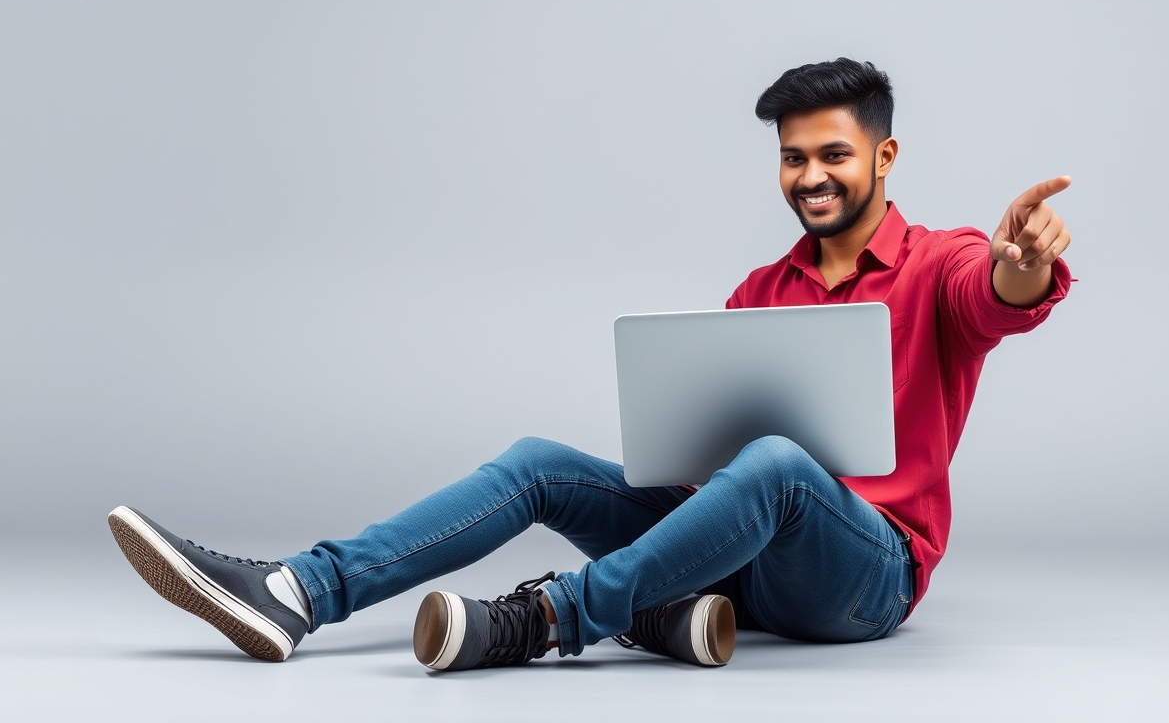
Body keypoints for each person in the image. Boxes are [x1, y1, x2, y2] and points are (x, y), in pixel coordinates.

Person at [108, 58, 1074, 672]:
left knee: (781, 464)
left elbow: (993, 299)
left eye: (832, 154)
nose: (809, 176)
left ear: (885, 154)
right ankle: (298, 594)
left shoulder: (941, 260)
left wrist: (1021, 269)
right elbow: (702, 453)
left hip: (863, 579)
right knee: (539, 462)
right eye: (790, 158)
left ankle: (551, 620)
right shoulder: (759, 289)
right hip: (741, 560)